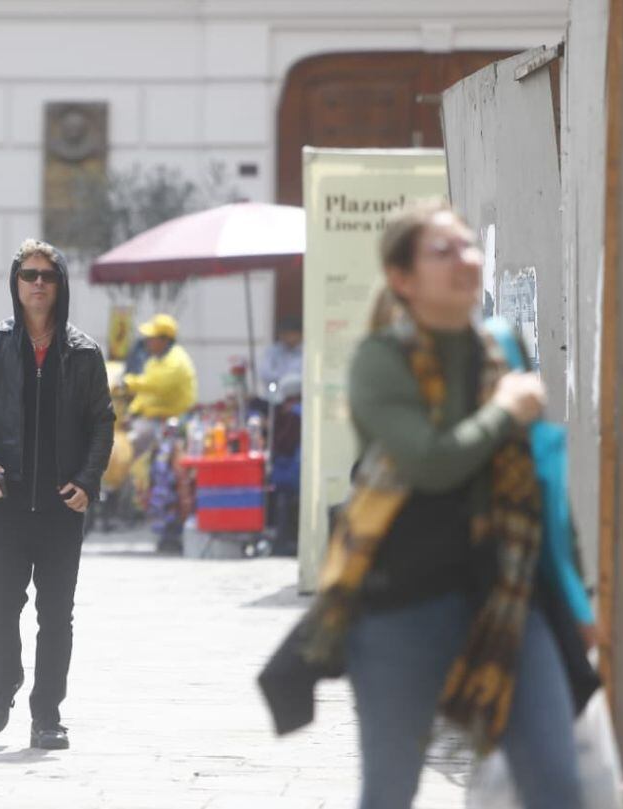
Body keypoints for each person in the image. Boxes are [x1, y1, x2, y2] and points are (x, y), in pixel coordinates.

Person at [258, 202, 599, 808]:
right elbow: (430, 462)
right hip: (401, 608)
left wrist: (574, 599)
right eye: (443, 251)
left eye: (468, 246)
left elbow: (539, 481)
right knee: (390, 790)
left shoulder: (504, 348)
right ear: (403, 279)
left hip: (509, 598)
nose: (465, 259)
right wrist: (504, 411)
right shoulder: (380, 362)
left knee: (557, 786)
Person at [0, 238, 114, 750]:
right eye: (28, 275)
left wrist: (87, 481)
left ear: (60, 285)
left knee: (55, 613)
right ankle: (5, 680)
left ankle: (47, 715)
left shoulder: (83, 353)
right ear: (16, 286)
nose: (37, 282)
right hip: (7, 503)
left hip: (63, 506)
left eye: (47, 275)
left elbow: (102, 423)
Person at [122, 314, 197, 458]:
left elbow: (156, 385)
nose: (148, 341)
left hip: (171, 420)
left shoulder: (176, 361)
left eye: (152, 337)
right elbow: (145, 396)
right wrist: (132, 413)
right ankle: (128, 479)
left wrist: (127, 383)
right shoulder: (155, 361)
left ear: (164, 340)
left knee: (128, 446)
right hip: (152, 418)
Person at [259, 315, 303, 395]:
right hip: (276, 394)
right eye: (283, 334)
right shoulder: (272, 351)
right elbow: (265, 373)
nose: (286, 337)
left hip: (299, 395)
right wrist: (284, 379)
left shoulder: (306, 352)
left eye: (290, 334)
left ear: (299, 334)